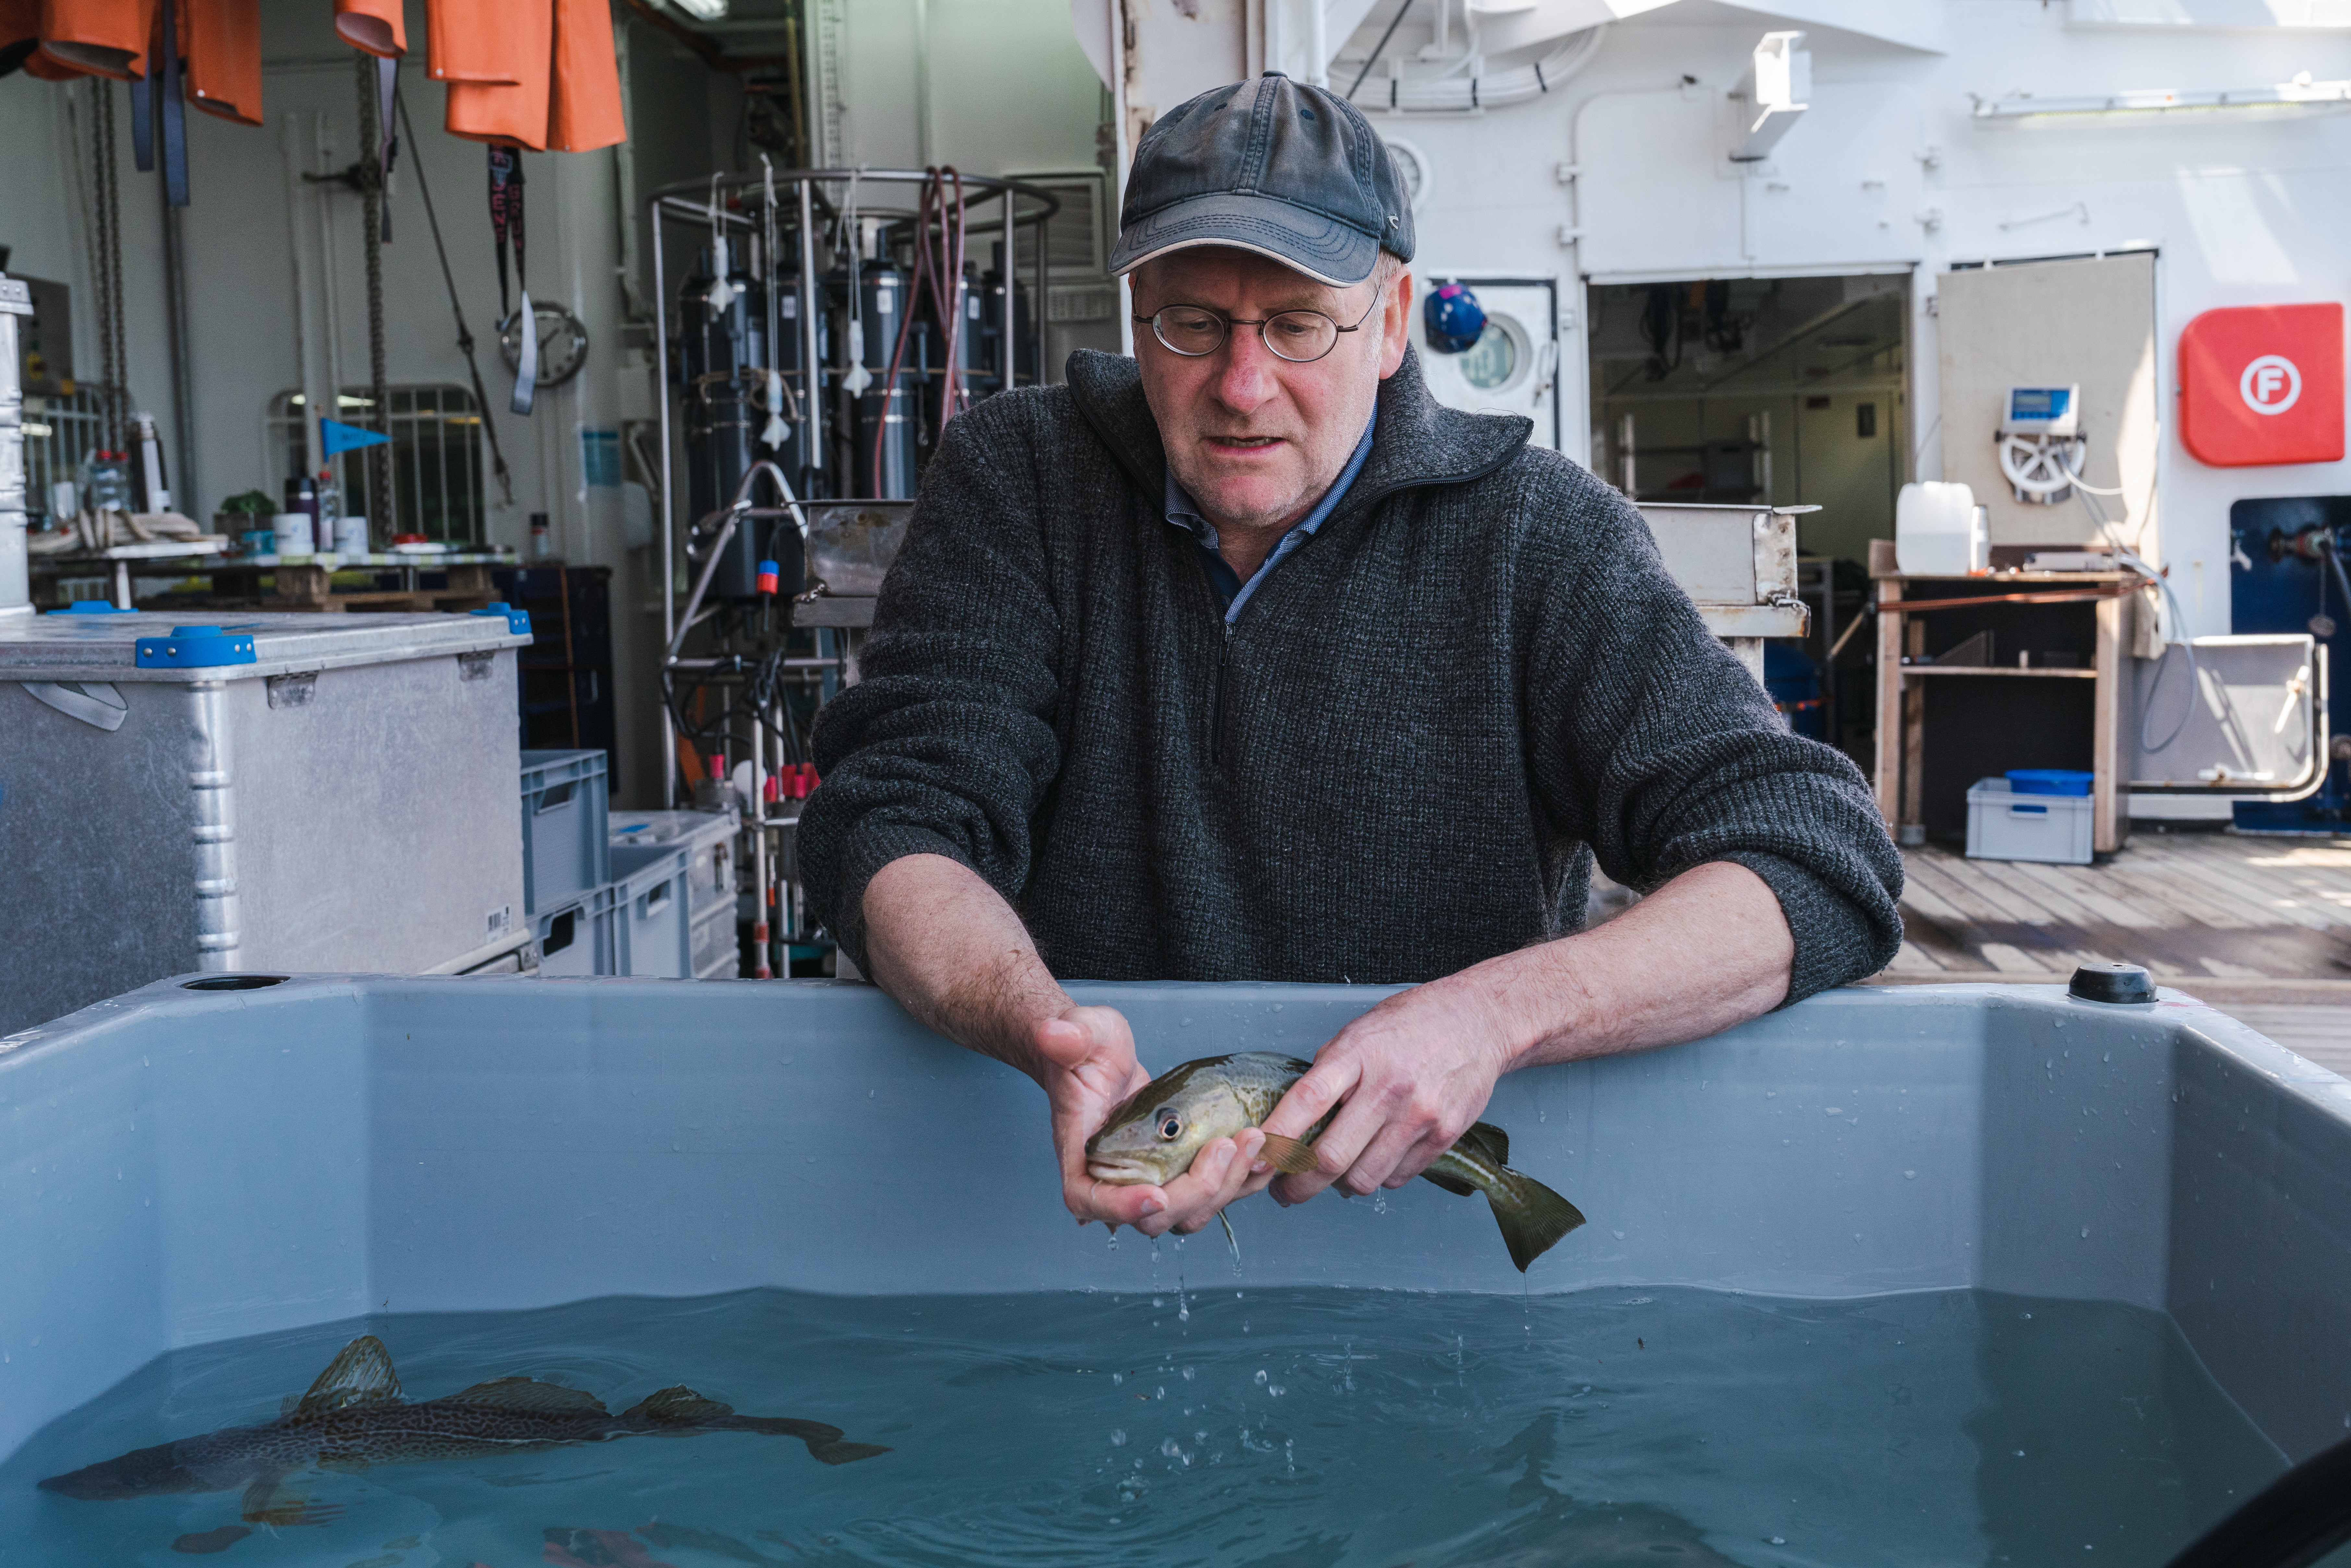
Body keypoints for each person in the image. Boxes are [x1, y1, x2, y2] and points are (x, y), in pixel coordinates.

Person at [800, 72, 1902, 1244]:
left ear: (1391, 322)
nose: (1241, 385)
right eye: (1194, 323)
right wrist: (1039, 1029)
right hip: (1065, 1218)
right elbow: (893, 822)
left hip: (1434, 1243)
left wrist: (1494, 1016)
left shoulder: (1541, 538)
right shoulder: (1018, 481)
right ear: (1137, 316)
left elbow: (1819, 858)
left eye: (1297, 326)